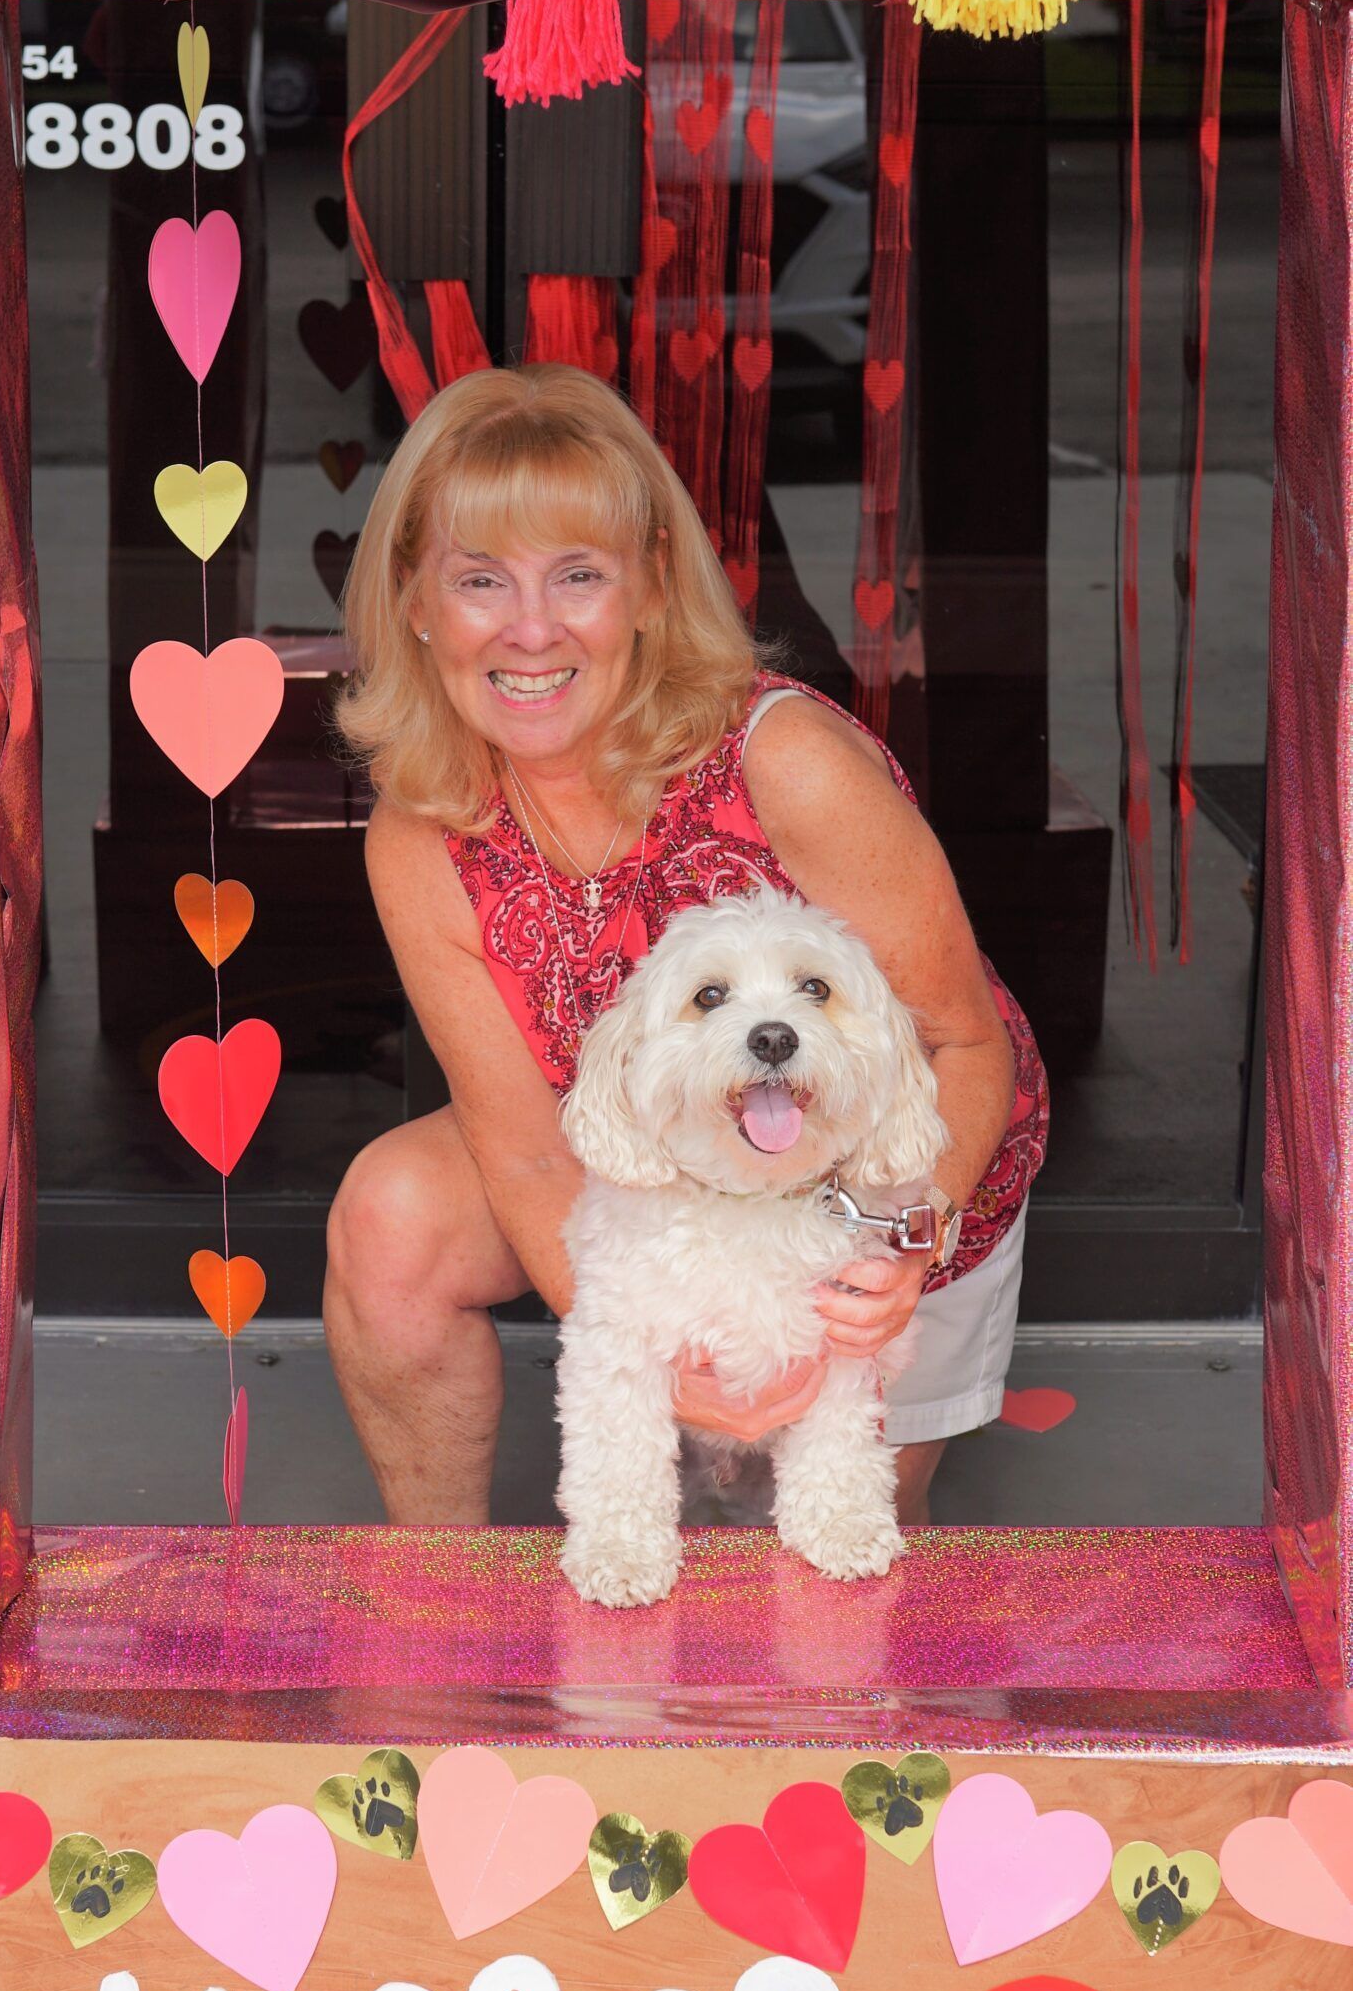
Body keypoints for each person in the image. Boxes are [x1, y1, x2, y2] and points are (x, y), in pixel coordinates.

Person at [326, 364, 1047, 1529]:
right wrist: (661, 1352)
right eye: (477, 580)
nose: (530, 627)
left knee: (823, 1548)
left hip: (876, 1170)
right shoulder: (419, 833)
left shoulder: (784, 760)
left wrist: (904, 1243)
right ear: (415, 601)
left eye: (577, 575)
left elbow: (961, 1041)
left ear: (652, 584)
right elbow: (521, 1155)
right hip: (647, 1168)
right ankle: (440, 1600)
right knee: (391, 1212)